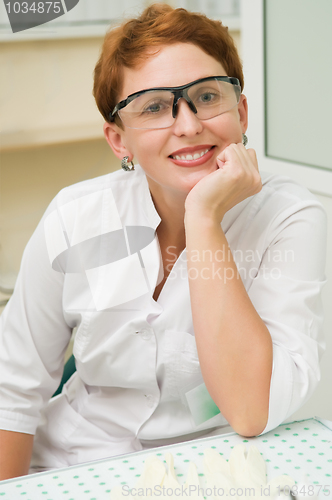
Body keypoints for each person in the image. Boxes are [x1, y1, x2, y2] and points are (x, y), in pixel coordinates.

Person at [0, 3, 327, 480]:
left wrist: (204, 217)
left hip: (213, 474)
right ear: (119, 141)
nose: (189, 125)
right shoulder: (75, 217)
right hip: (71, 465)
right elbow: (13, 389)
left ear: (241, 112)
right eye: (154, 106)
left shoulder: (290, 217)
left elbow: (252, 409)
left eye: (207, 97)